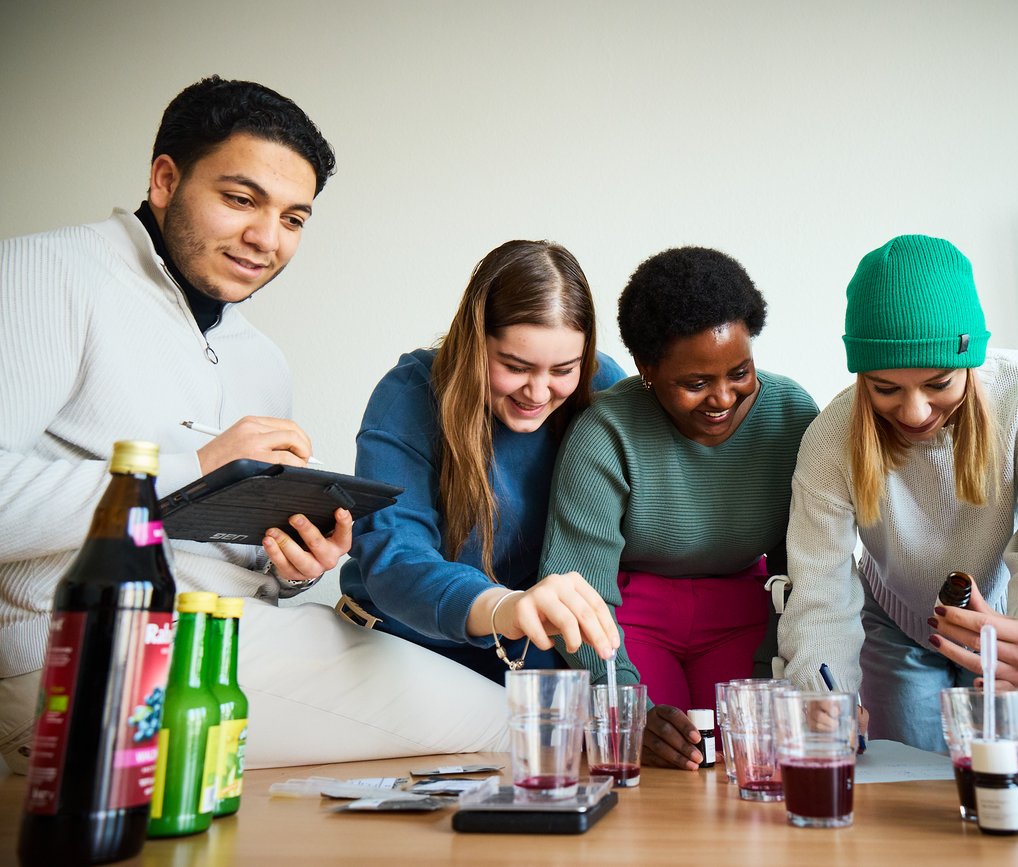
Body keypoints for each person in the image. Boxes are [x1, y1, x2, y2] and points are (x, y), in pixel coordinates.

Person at [0, 76, 510, 773]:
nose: (265, 238)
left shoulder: (260, 356)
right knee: (508, 726)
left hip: (235, 633)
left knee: (497, 717)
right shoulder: (46, 271)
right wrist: (197, 466)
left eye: (294, 219)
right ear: (164, 179)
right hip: (89, 649)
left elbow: (242, 567)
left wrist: (292, 560)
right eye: (240, 199)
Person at [777, 234, 1018, 753]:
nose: (915, 412)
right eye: (885, 389)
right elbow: (821, 587)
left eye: (939, 383)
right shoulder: (831, 437)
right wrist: (820, 691)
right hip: (897, 620)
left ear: (971, 360)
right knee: (907, 796)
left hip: (1012, 617)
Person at [537, 246, 820, 769]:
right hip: (627, 621)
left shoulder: (793, 415)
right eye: (695, 383)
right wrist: (624, 709)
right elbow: (578, 590)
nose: (722, 398)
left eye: (740, 371)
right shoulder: (606, 432)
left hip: (745, 615)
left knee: (746, 760)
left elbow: (803, 570)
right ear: (647, 369)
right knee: (654, 763)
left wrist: (774, 669)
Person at [339, 240, 625, 682]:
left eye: (563, 370)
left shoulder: (601, 386)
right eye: (515, 366)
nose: (538, 391)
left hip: (528, 655)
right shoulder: (409, 397)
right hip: (402, 644)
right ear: (475, 342)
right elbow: (396, 560)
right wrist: (504, 607)